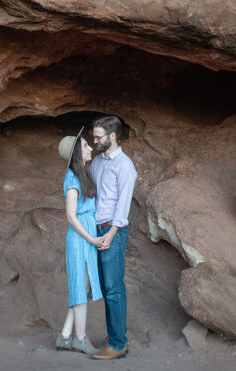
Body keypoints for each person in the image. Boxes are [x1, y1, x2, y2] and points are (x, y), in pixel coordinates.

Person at [88, 115, 137, 360]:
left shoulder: (125, 165)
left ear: (113, 136)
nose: (95, 141)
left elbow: (123, 204)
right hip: (96, 230)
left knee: (114, 288)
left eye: (99, 137)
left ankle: (118, 344)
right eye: (94, 137)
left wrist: (111, 233)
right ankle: (114, 337)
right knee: (103, 287)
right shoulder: (97, 162)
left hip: (112, 232)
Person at [55, 128, 103, 355]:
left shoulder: (83, 174)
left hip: (86, 234)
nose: (90, 147)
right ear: (76, 152)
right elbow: (71, 216)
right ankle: (81, 339)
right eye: (85, 145)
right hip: (80, 238)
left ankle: (65, 336)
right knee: (80, 288)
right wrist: (91, 238)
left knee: (82, 288)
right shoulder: (72, 178)